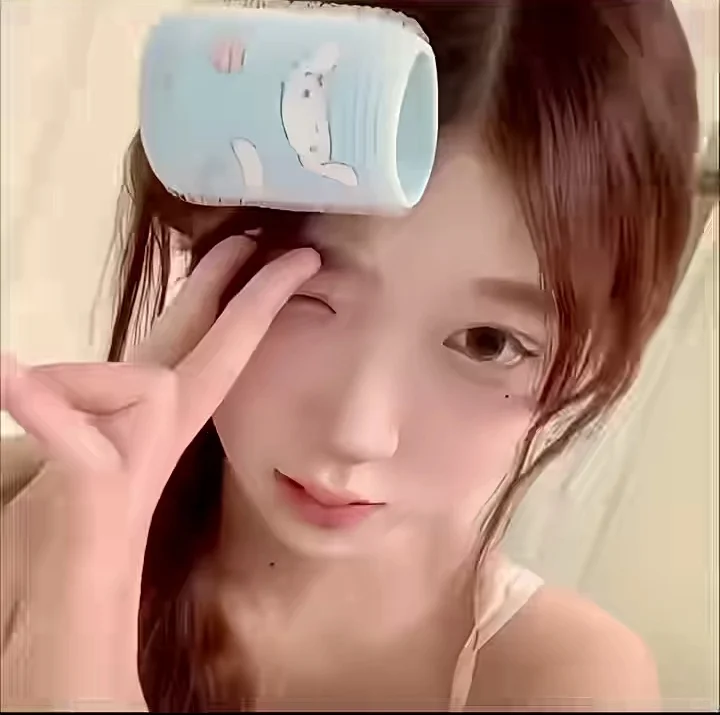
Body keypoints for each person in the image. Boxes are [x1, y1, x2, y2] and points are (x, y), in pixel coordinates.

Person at [0, 0, 699, 711]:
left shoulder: (561, 684)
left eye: (488, 342)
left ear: (596, 356)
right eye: (308, 293)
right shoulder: (22, 513)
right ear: (210, 237)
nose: (359, 430)